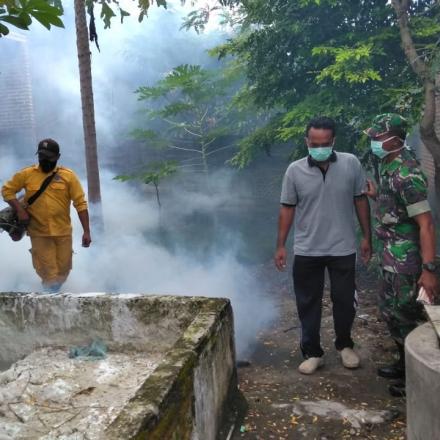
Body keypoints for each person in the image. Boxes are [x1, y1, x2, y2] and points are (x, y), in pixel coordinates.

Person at [275, 116, 372, 375]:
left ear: (333, 141)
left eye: (325, 143)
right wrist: (281, 245)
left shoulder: (351, 163)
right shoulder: (294, 170)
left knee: (343, 300)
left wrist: (366, 237)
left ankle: (344, 345)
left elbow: (360, 200)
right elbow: (287, 209)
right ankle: (312, 352)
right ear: (307, 141)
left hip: (342, 247)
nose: (320, 148)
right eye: (314, 143)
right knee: (308, 302)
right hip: (307, 249)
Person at [364, 113, 439, 397]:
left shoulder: (407, 173)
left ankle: (417, 379)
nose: (373, 141)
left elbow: (426, 224)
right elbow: (398, 208)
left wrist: (429, 269)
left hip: (405, 259)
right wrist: (376, 197)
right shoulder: (388, 164)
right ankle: (403, 362)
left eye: (378, 137)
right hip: (389, 254)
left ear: (394, 140)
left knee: (407, 313)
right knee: (389, 311)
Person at [1, 138, 91, 292]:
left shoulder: (68, 177)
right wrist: (20, 210)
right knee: (49, 273)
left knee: (63, 271)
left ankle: (51, 293)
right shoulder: (27, 174)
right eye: (41, 156)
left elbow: (80, 204)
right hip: (39, 232)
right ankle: (51, 302)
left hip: (63, 232)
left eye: (48, 157)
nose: (44, 160)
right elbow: (7, 191)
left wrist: (86, 231)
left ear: (57, 157)